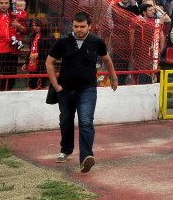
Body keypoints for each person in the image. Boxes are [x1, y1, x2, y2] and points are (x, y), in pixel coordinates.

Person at [45, 11, 119, 172]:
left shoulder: (97, 42)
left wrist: (113, 78)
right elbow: (49, 62)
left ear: (89, 26)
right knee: (66, 121)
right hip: (65, 89)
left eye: (82, 27)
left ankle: (86, 157)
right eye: (76, 26)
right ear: (72, 26)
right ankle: (66, 150)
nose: (79, 29)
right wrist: (56, 85)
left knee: (86, 121)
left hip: (88, 89)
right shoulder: (63, 41)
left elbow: (106, 59)